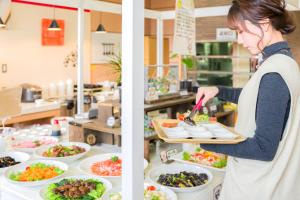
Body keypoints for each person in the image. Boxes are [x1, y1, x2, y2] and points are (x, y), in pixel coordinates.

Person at [196, 0, 300, 199]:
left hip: (258, 187)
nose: (240, 40)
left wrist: (208, 141)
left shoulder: (274, 73)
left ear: (264, 23)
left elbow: (263, 148)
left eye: (241, 31)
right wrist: (218, 89)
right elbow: (258, 99)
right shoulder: (284, 62)